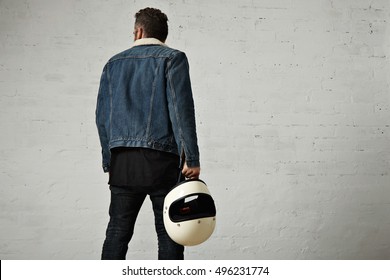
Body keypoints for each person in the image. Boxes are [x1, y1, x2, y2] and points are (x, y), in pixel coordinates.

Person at [95, 7, 200, 260]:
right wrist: (192, 159)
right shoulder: (172, 58)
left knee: (117, 232)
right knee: (169, 232)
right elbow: (180, 110)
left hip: (123, 163)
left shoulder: (113, 64)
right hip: (161, 162)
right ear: (162, 35)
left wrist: (109, 160)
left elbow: (102, 117)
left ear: (139, 31)